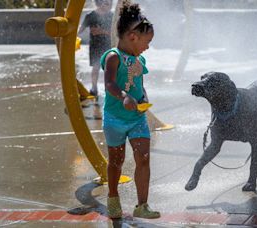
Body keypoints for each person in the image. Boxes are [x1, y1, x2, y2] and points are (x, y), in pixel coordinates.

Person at [100, 2, 159, 219]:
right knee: (117, 160)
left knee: (143, 157)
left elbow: (139, 84)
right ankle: (113, 197)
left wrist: (143, 98)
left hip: (136, 118)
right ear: (133, 36)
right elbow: (109, 84)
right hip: (115, 118)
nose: (148, 47)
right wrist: (123, 97)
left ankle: (142, 205)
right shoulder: (113, 56)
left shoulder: (139, 59)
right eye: (147, 41)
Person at [79, 0, 113, 99]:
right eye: (107, 3)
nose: (108, 6)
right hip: (95, 45)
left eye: (110, 4)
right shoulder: (90, 16)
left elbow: (115, 33)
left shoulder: (112, 16)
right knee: (96, 67)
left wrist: (102, 31)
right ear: (99, 3)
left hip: (108, 45)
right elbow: (80, 30)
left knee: (109, 68)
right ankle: (94, 88)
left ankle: (109, 88)